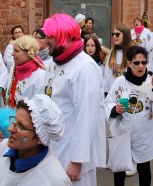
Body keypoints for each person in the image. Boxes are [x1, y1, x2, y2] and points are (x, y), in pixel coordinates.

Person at [42, 13, 106, 185]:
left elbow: (87, 117)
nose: (46, 40)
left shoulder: (84, 68)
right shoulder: (53, 63)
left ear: (65, 37)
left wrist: (77, 161)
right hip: (53, 149)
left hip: (72, 157)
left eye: (50, 36)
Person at [105, 46, 153, 186]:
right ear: (129, 64)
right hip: (123, 132)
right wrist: (115, 110)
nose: (141, 66)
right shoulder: (120, 82)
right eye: (136, 63)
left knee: (144, 168)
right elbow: (108, 102)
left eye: (144, 62)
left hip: (144, 135)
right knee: (119, 170)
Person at [0, 95, 71, 186]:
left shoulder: (53, 180)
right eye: (14, 121)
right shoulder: (3, 147)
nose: (10, 128)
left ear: (40, 137)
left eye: (20, 126)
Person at [5, 35, 46, 108]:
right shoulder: (13, 70)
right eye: (13, 50)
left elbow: (40, 106)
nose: (12, 53)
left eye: (16, 51)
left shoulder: (39, 75)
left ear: (28, 53)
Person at [104, 24, 134, 94]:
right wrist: (106, 91)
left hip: (128, 91)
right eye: (113, 34)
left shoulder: (132, 52)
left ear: (125, 36)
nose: (114, 36)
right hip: (114, 92)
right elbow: (107, 73)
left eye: (117, 34)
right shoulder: (112, 51)